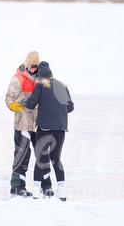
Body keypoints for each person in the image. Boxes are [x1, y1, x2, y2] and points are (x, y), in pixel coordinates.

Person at [20, 61, 74, 200]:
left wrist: (22, 101)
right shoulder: (63, 86)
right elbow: (70, 108)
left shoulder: (40, 86)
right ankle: (61, 191)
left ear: (40, 76)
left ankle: (36, 191)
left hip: (44, 129)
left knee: (41, 159)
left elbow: (31, 104)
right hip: (61, 129)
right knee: (56, 159)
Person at [5, 51, 40, 197]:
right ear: (26, 65)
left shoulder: (42, 78)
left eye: (35, 66)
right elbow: (8, 97)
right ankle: (18, 187)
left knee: (42, 155)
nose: (32, 69)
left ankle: (44, 186)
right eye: (30, 66)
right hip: (22, 124)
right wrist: (14, 105)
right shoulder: (17, 78)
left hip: (38, 124)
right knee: (22, 155)